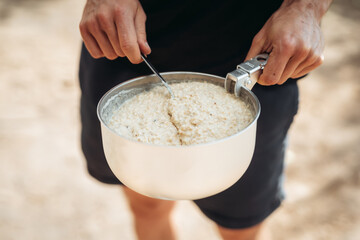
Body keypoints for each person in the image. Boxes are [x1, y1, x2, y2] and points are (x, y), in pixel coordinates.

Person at [78, 0, 332, 239]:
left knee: (240, 227)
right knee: (147, 203)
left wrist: (307, 8)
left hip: (258, 54)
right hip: (128, 43)